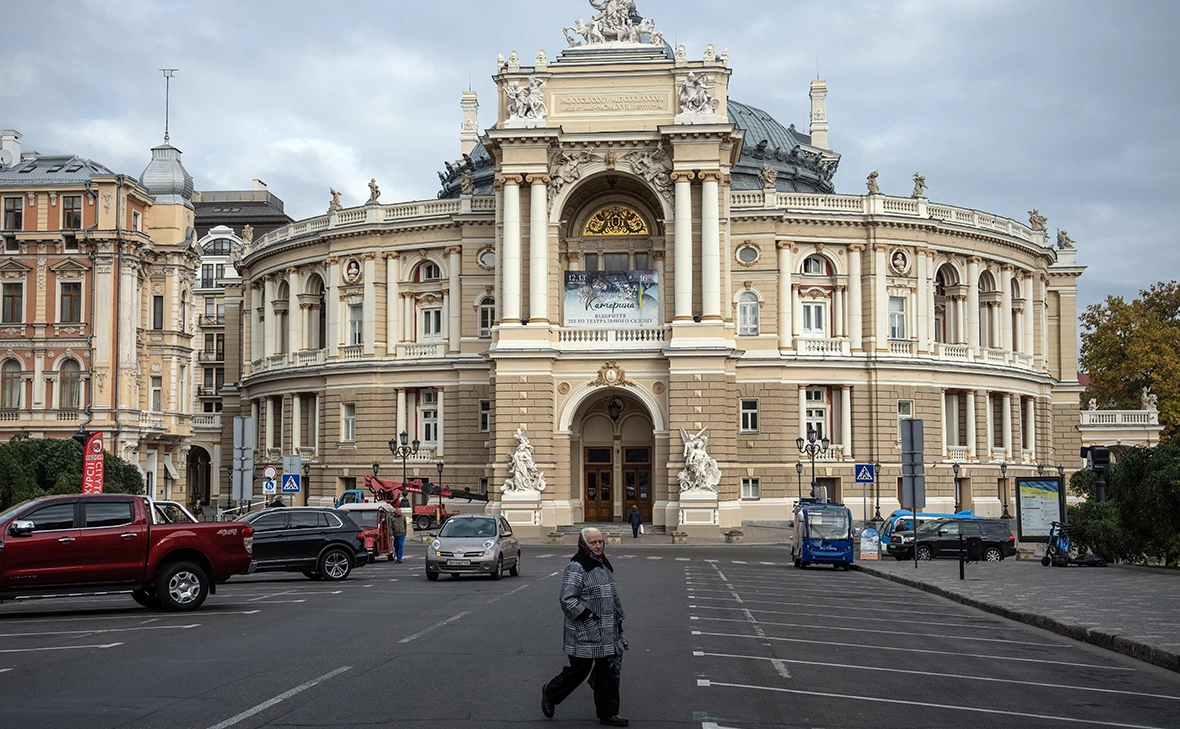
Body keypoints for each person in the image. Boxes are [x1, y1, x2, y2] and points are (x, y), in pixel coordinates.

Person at [542, 528, 628, 727]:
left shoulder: (602, 563)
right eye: (593, 543)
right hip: (584, 631)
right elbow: (567, 599)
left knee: (607, 672)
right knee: (578, 671)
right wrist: (588, 615)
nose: (598, 546)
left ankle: (608, 713)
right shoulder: (577, 566)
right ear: (584, 544)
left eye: (600, 542)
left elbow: (611, 595)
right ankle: (550, 693)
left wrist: (618, 620)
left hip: (606, 630)